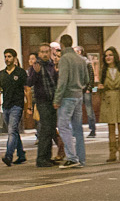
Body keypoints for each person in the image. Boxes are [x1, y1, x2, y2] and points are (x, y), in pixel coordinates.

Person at [54, 35, 91, 169]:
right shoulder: (80, 59)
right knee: (77, 128)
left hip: (67, 97)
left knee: (63, 126)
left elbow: (62, 81)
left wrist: (57, 99)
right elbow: (86, 79)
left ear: (62, 45)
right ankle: (81, 158)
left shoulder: (64, 59)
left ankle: (72, 157)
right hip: (78, 96)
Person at [0, 49, 28, 167]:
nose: (7, 59)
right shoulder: (2, 74)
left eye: (9, 56)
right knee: (14, 131)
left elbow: (27, 89)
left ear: (15, 58)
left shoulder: (20, 73)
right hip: (6, 106)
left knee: (11, 131)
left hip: (17, 105)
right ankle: (21, 154)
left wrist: (29, 106)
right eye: (5, 56)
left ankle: (9, 155)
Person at [27, 43, 59, 168]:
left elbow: (56, 82)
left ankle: (47, 157)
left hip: (53, 101)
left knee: (51, 129)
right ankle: (41, 159)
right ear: (39, 54)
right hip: (42, 101)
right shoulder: (36, 66)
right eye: (42, 52)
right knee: (45, 129)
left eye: (47, 51)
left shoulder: (52, 65)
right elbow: (29, 83)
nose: (45, 54)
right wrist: (35, 73)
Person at [98, 47, 120, 162]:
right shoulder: (103, 71)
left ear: (115, 57)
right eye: (106, 55)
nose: (108, 57)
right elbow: (94, 88)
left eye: (110, 55)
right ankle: (112, 153)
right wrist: (98, 88)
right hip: (108, 100)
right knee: (111, 128)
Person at [77, 46, 98, 138]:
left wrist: (89, 88)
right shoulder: (75, 63)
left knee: (89, 110)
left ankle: (92, 129)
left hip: (86, 90)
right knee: (77, 111)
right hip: (78, 90)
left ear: (80, 52)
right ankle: (77, 129)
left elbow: (91, 76)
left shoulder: (87, 63)